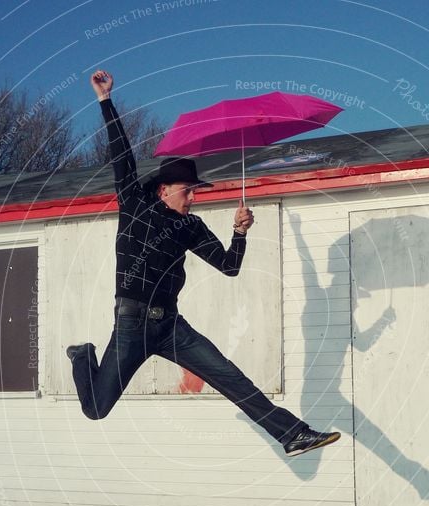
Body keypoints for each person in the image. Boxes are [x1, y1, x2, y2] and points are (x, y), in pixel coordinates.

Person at [67, 69, 340, 457]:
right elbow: (121, 156)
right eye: (188, 191)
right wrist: (105, 101)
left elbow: (228, 266)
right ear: (163, 190)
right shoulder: (135, 205)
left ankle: (291, 434)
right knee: (96, 408)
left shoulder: (192, 226)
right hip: (131, 324)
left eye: (195, 191)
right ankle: (81, 357)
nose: (193, 197)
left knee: (230, 376)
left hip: (172, 326)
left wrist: (240, 233)